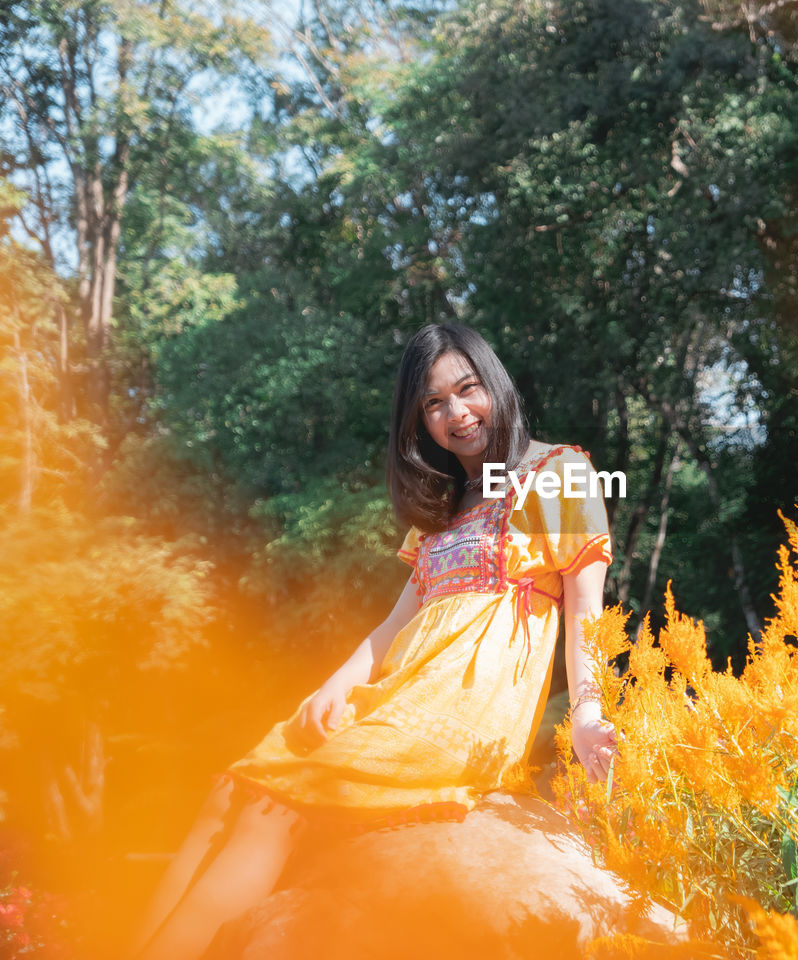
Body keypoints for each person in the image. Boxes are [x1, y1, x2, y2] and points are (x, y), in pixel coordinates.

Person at [130, 323, 619, 960]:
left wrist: (587, 711)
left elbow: (587, 611)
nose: (457, 413)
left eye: (467, 390)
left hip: (464, 704)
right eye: (434, 404)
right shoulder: (445, 508)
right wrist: (333, 686)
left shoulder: (560, 473)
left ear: (493, 383)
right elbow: (394, 626)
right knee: (233, 786)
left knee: (277, 812)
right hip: (400, 688)